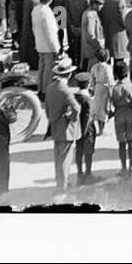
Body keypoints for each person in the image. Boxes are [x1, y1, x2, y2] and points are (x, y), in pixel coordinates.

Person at [45, 57, 80, 197]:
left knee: (58, 157)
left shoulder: (50, 87)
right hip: (65, 127)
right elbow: (77, 108)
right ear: (69, 74)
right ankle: (63, 186)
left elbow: (47, 109)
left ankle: (59, 182)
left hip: (54, 126)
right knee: (66, 159)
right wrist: (71, 118)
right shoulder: (65, 90)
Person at [109, 59, 132, 176]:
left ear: (115, 75)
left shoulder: (113, 88)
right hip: (130, 113)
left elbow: (107, 104)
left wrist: (111, 113)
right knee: (131, 141)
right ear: (127, 73)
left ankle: (123, 167)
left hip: (118, 114)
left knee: (121, 142)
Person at [31, 0, 61, 96]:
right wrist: (55, 48)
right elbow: (50, 33)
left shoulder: (36, 9)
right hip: (48, 45)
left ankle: (40, 88)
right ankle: (45, 91)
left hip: (39, 43)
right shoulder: (47, 12)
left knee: (42, 68)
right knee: (49, 70)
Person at [72, 71, 97, 186]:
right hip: (87, 129)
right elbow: (88, 116)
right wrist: (85, 131)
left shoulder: (74, 96)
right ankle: (88, 174)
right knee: (88, 152)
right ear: (88, 83)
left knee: (79, 151)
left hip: (77, 128)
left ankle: (79, 174)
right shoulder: (88, 99)